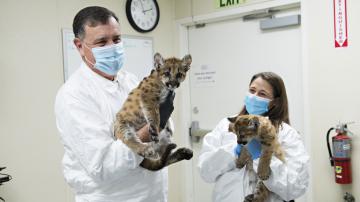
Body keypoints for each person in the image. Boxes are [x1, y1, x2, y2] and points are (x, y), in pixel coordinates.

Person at [55, 6, 173, 202]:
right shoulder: (73, 95)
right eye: (102, 42)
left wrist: (162, 119)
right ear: (79, 45)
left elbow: (164, 133)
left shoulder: (130, 81)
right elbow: (104, 166)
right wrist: (155, 124)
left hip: (154, 194)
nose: (112, 47)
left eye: (116, 40)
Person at [198, 72, 309, 202]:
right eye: (252, 90)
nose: (254, 96)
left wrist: (261, 156)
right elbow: (205, 172)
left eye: (262, 94)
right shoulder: (227, 125)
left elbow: (295, 187)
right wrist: (234, 150)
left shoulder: (287, 134)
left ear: (275, 102)